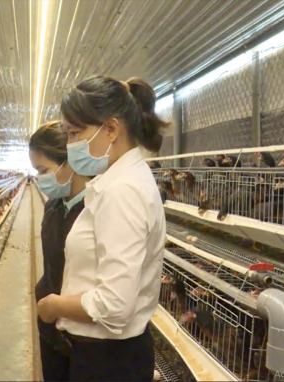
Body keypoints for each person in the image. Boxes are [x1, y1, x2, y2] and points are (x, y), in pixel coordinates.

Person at [36, 75, 169, 381]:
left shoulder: (121, 192)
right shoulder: (120, 182)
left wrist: (55, 305)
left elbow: (113, 304)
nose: (70, 146)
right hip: (105, 355)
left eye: (74, 134)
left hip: (108, 361)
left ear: (110, 129)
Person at [29, 121, 90, 381]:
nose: (40, 178)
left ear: (69, 162)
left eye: (44, 170)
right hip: (52, 327)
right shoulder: (53, 206)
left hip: (84, 334)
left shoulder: (95, 208)